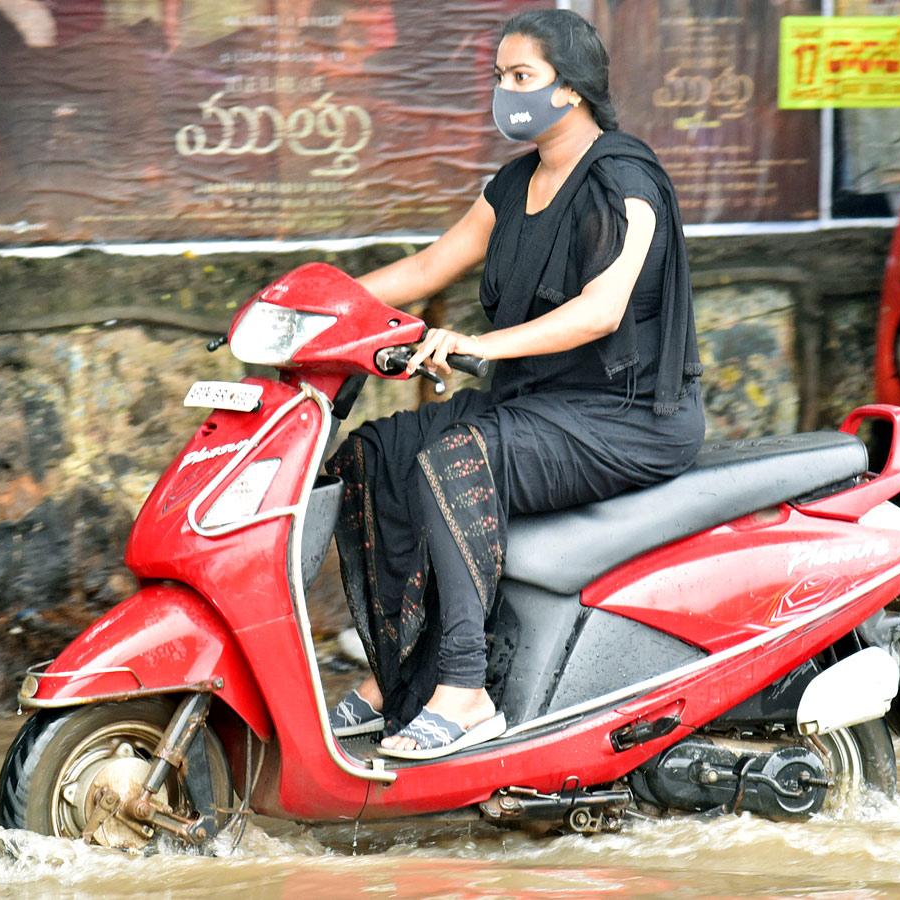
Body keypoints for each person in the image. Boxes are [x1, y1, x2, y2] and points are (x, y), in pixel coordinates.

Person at [325, 8, 704, 759]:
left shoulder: (625, 181)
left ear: (571, 89)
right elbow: (430, 268)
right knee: (377, 452)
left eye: (522, 77)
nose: (506, 92)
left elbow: (601, 311)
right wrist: (317, 308)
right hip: (537, 407)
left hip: (624, 417)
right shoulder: (514, 183)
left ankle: (463, 694)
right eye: (500, 77)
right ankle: (397, 676)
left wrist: (479, 344)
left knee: (457, 459)